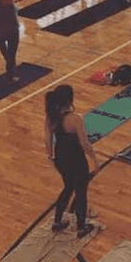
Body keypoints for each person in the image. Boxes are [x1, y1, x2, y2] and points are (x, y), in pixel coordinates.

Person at [45, 84, 99, 239]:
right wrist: (95, 159)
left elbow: (47, 140)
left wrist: (51, 158)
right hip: (76, 159)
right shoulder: (75, 118)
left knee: (68, 187)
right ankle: (81, 227)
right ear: (70, 99)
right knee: (81, 192)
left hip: (61, 158)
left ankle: (57, 221)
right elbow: (85, 143)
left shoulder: (51, 118)